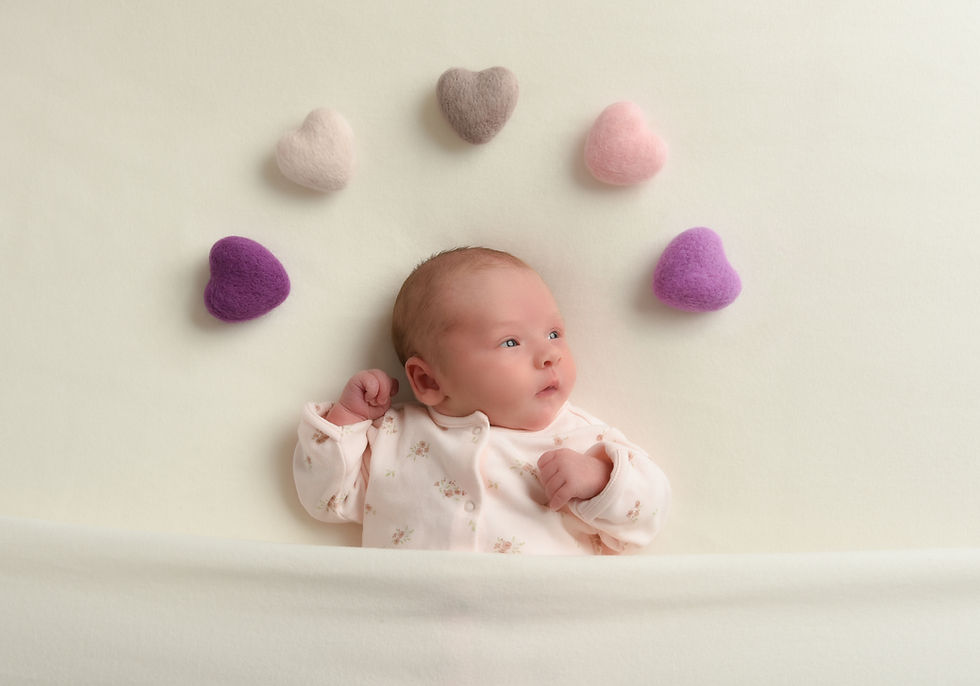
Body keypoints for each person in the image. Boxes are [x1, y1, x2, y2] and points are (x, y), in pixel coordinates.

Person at [293, 247, 670, 554]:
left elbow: (647, 518)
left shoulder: (586, 442)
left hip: (537, 627)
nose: (549, 354)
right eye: (511, 341)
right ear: (426, 380)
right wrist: (348, 420)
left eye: (554, 333)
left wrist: (599, 482)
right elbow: (326, 498)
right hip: (409, 626)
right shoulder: (392, 436)